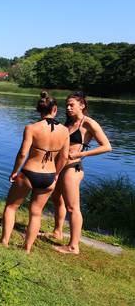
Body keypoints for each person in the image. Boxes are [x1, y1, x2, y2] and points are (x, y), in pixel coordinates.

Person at [0, 91, 70, 253]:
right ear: (55, 110)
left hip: (30, 172)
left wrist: (14, 171)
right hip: (49, 176)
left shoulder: (31, 128)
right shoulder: (65, 131)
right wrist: (57, 174)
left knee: (11, 207)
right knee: (36, 213)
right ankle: (27, 248)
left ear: (39, 110)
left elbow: (23, 153)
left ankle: (4, 241)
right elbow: (64, 156)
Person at [45, 91, 112, 254]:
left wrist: (81, 154)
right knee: (56, 199)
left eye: (71, 105)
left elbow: (107, 146)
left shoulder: (88, 123)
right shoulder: (68, 123)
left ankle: (73, 246)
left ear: (82, 105)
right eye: (66, 105)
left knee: (73, 207)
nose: (68, 107)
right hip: (59, 167)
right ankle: (57, 232)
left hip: (72, 168)